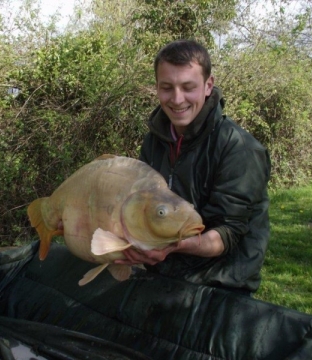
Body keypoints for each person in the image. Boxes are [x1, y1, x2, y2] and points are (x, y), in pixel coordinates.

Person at [115, 39, 271, 295]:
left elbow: (226, 234)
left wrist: (168, 246)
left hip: (220, 285)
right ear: (156, 88)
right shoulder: (154, 140)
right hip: (164, 277)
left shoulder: (240, 148)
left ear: (208, 85)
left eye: (188, 87)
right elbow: (144, 205)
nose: (177, 99)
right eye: (167, 88)